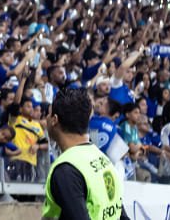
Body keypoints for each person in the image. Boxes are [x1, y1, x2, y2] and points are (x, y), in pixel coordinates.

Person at [42, 88, 129, 220]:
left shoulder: (66, 169)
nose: (46, 119)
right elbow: (120, 214)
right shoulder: (103, 159)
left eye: (47, 114)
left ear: (54, 119)